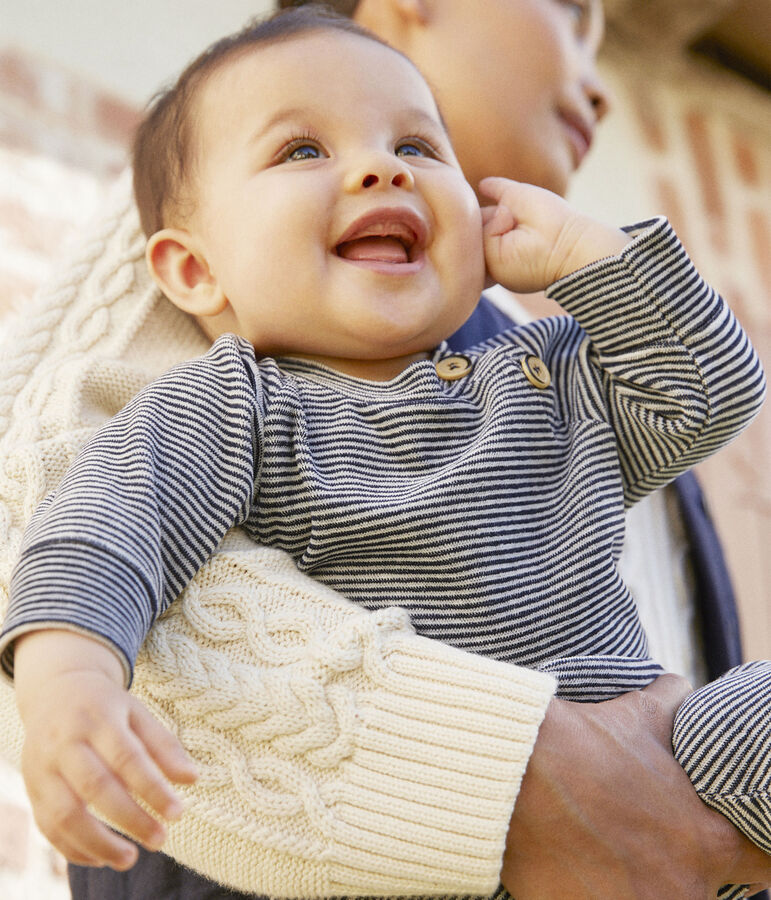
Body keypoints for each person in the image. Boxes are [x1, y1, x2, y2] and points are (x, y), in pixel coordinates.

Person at [0, 4, 767, 900]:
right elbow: (99, 521)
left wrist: (585, 254)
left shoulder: (541, 373)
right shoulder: (234, 404)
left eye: (418, 147)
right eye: (301, 152)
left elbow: (707, 393)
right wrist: (69, 673)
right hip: (422, 861)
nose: (378, 166)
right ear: (195, 272)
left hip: (678, 772)